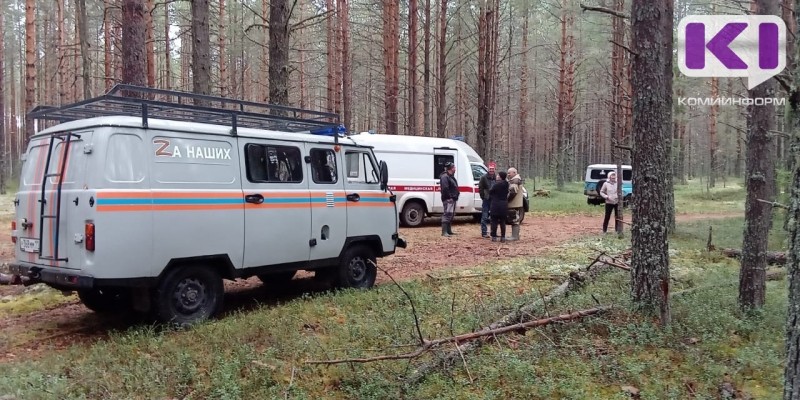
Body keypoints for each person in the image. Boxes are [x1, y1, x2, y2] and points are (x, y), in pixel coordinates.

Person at [439, 162, 460, 237]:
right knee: (447, 214)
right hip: (448, 199)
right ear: (451, 168)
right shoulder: (445, 177)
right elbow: (445, 188)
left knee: (450, 215)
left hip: (452, 199)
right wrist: (449, 197)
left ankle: (449, 230)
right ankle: (444, 232)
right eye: (454, 167)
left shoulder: (451, 176)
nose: (455, 169)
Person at [478, 162, 497, 238]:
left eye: (493, 169)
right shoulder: (483, 177)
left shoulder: (497, 177)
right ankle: (484, 232)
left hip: (495, 200)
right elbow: (480, 188)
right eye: (490, 169)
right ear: (488, 169)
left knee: (494, 216)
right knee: (484, 216)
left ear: (495, 169)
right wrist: (483, 196)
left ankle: (493, 232)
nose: (491, 170)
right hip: (486, 199)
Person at [489, 171, 509, 242]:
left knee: (494, 221)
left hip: (495, 204)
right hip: (504, 204)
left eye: (498, 175)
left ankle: (494, 236)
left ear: (500, 177)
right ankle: (503, 237)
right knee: (502, 222)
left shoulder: (496, 185)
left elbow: (490, 192)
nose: (496, 176)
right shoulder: (506, 184)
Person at [506, 167, 525, 241]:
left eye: (509, 173)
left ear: (514, 173)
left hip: (514, 203)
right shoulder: (516, 179)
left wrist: (507, 199)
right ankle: (515, 236)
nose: (508, 175)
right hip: (516, 203)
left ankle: (515, 236)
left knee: (514, 219)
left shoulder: (515, 180)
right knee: (515, 218)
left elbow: (513, 192)